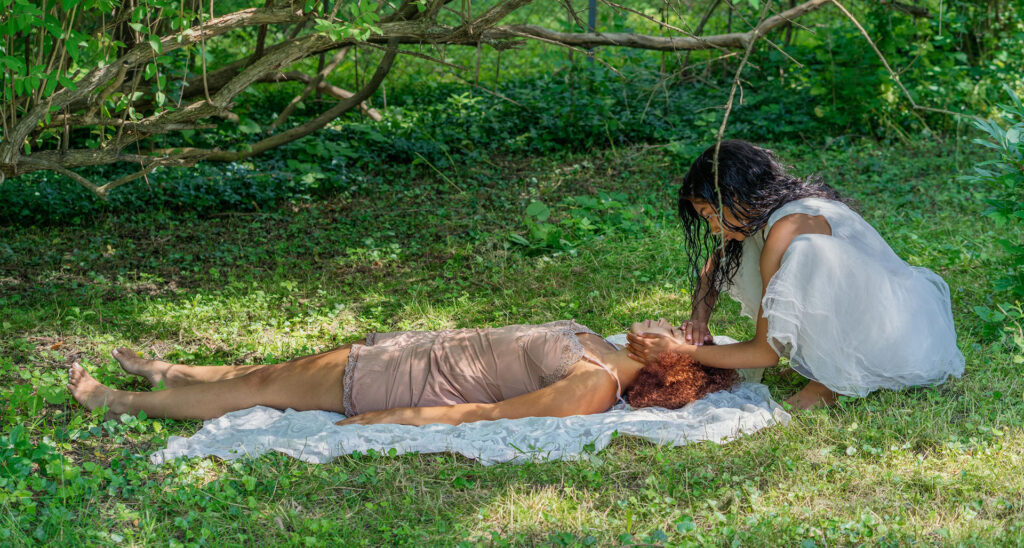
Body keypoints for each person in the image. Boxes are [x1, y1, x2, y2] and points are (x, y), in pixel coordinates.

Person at [627, 140, 965, 409]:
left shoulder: (787, 228)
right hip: (901, 320)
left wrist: (682, 350)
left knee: (809, 252)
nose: (713, 227)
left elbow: (765, 353)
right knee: (741, 250)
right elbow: (712, 267)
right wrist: (698, 319)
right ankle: (829, 371)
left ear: (735, 195)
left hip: (897, 341)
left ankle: (832, 382)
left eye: (711, 214)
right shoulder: (770, 215)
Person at [67, 320, 736, 425]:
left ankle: (118, 401)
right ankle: (171, 370)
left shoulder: (595, 386)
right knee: (266, 372)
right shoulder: (602, 340)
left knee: (260, 392)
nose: (675, 323)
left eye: (686, 334)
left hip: (396, 386)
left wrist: (392, 420)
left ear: (671, 358)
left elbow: (488, 415)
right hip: (409, 351)